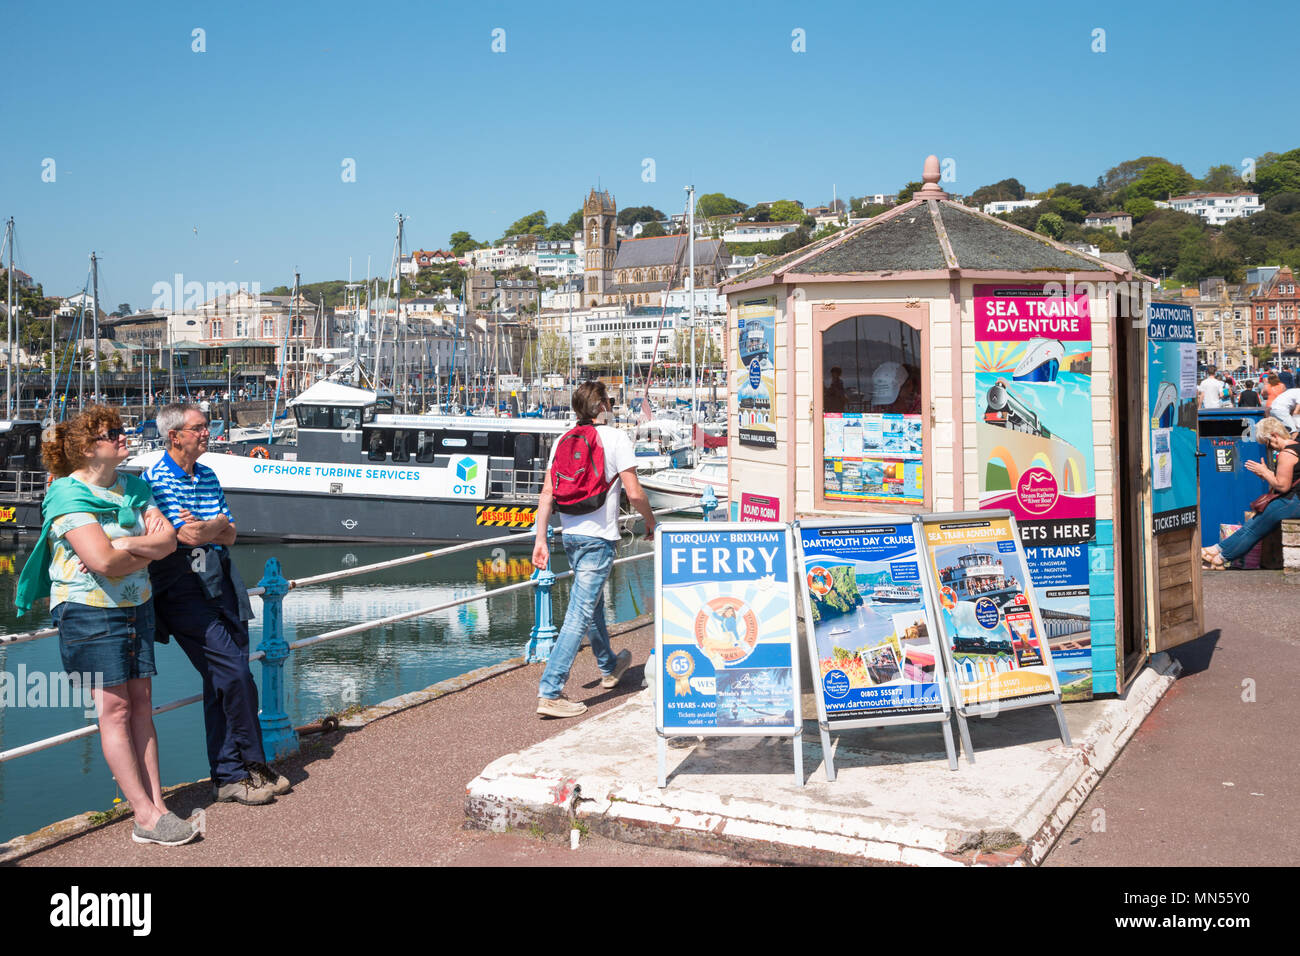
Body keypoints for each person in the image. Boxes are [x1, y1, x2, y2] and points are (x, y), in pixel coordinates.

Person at [14, 406, 198, 846]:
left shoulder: (133, 487)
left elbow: (168, 540)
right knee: (113, 710)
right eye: (111, 433)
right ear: (86, 448)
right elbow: (102, 562)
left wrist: (125, 541)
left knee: (142, 704)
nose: (123, 436)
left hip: (137, 605)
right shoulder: (65, 495)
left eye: (120, 430)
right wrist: (138, 548)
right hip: (89, 611)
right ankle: (144, 815)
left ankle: (159, 804)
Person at [144, 403, 289, 805]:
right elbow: (186, 537)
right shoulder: (156, 478)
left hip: (222, 580)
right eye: (200, 428)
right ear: (175, 436)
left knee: (222, 679)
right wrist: (212, 527)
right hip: (182, 588)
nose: (208, 433)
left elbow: (228, 535)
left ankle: (228, 775)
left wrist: (208, 528)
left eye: (206, 426)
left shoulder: (207, 474)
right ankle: (253, 765)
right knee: (234, 673)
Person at [531, 381, 655, 718]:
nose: (612, 406)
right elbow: (635, 492)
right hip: (599, 537)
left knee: (593, 604)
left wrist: (541, 538)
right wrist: (651, 522)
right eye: (610, 401)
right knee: (580, 611)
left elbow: (547, 494)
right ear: (601, 406)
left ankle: (609, 665)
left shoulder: (561, 440)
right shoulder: (616, 439)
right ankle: (551, 690)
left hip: (570, 535)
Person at [1203, 417, 1300, 569]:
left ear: (1274, 435)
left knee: (1253, 529)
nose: (1270, 448)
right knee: (1252, 525)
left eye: (1267, 443)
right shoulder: (1296, 447)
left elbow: (1282, 486)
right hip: (1292, 501)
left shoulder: (1287, 454)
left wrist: (1265, 472)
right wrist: (1266, 474)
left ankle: (1220, 557)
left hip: (1292, 502)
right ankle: (1216, 551)